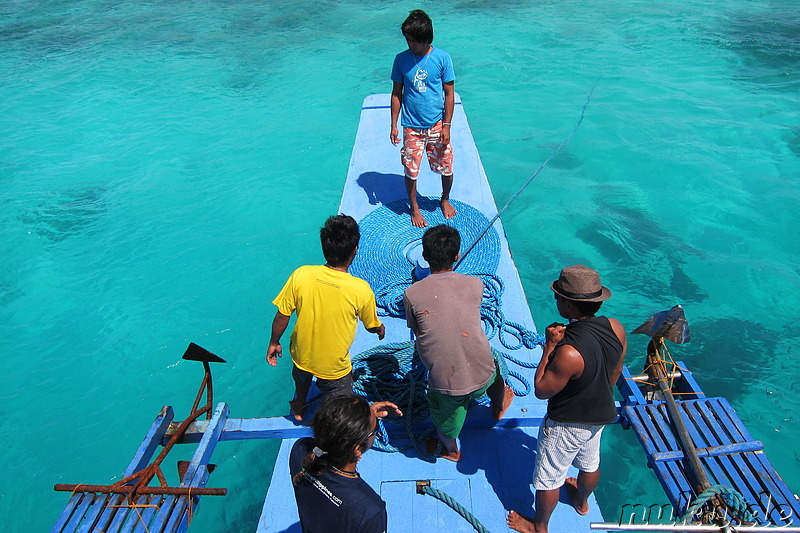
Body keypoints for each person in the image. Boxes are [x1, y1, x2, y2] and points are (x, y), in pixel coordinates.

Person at [507, 265, 627, 533]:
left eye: (558, 297)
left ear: (570, 306)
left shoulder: (569, 351)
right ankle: (582, 503)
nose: (555, 299)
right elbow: (614, 373)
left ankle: (539, 526)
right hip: (601, 413)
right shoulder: (616, 327)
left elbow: (541, 389)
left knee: (549, 477)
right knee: (590, 462)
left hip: (566, 422)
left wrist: (550, 347)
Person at [403, 225, 514, 461]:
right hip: (484, 370)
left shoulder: (412, 293)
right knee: (494, 377)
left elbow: (415, 328)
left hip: (446, 384)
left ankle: (452, 451)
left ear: (424, 256)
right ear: (457, 256)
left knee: (445, 418)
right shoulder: (476, 284)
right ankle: (497, 407)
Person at [266, 215, 385, 421]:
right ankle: (331, 422)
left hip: (301, 356)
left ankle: (299, 407)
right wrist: (380, 329)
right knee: (340, 401)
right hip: (333, 367)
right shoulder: (361, 289)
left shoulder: (301, 274)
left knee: (301, 381)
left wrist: (274, 342)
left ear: (324, 246)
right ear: (355, 250)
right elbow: (371, 326)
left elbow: (282, 315)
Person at [290, 395, 403, 533]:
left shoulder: (300, 450)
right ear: (357, 449)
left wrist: (365, 415)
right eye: (375, 429)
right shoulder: (370, 511)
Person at [390, 9, 456, 228]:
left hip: (438, 124)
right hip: (411, 126)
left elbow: (449, 94)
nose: (409, 44)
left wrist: (447, 126)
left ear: (426, 39)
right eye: (407, 40)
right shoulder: (400, 60)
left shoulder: (442, 58)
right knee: (410, 169)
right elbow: (397, 93)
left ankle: (444, 199)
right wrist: (394, 124)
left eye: (413, 41)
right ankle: (414, 207)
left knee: (446, 166)